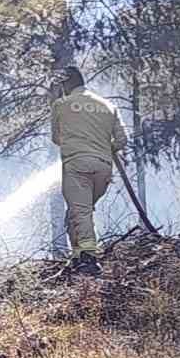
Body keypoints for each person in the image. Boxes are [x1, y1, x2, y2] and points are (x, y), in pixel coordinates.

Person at [50, 67, 127, 257]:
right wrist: (101, 147)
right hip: (103, 168)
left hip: (77, 165)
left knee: (81, 212)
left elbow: (56, 138)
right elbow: (122, 140)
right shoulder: (108, 106)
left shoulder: (61, 104)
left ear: (66, 84)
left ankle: (88, 255)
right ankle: (77, 255)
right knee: (78, 213)